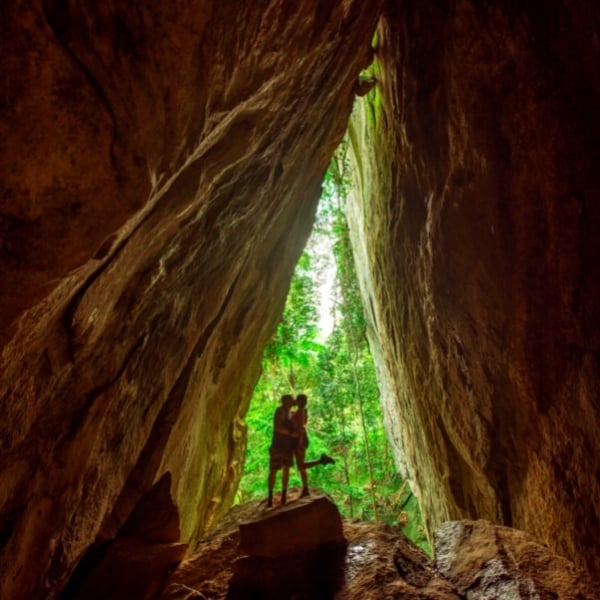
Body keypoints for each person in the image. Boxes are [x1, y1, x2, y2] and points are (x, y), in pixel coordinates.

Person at [291, 393, 335, 498]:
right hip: (299, 440)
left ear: (299, 402)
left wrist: (299, 443)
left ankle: (321, 460)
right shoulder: (302, 411)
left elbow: (301, 428)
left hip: (299, 440)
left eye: (297, 400)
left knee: (301, 465)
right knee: (301, 466)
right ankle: (305, 489)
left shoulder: (301, 411)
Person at [267, 394, 298, 507]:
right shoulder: (280, 411)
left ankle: (283, 496)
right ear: (285, 401)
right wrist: (291, 433)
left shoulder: (290, 413)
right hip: (278, 446)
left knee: (286, 471)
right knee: (274, 471)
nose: (292, 401)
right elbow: (277, 427)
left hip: (287, 447)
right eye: (290, 399)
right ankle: (270, 498)